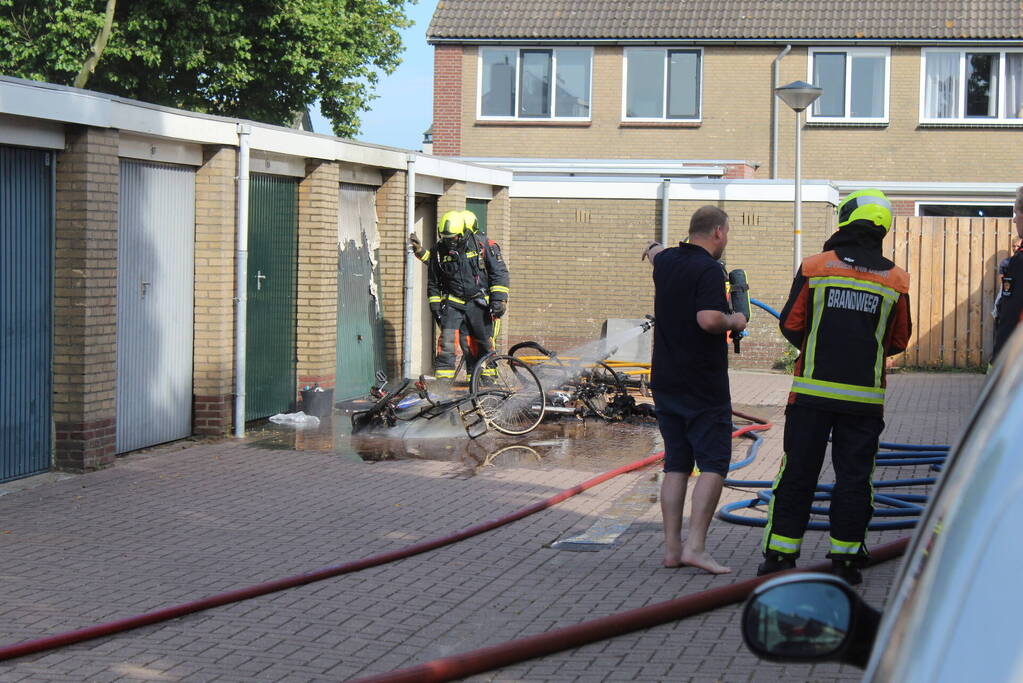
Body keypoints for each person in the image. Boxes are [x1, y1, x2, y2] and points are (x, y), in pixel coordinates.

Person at [759, 189, 912, 585]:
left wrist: (819, 346)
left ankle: (779, 557)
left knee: (797, 473)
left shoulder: (815, 266)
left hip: (811, 394)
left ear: (845, 219)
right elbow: (899, 340)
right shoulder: (896, 279)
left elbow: (791, 324)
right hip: (864, 401)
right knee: (855, 478)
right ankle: (846, 561)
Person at [643, 205, 746, 575]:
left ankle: (672, 549)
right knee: (714, 464)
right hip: (702, 384)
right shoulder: (708, 270)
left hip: (666, 380)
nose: (726, 240)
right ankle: (696, 548)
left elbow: (654, 252)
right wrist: (736, 318)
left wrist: (652, 246)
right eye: (727, 233)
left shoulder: (667, 260)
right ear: (718, 232)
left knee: (676, 464)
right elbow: (708, 319)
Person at [427, 210, 508, 380]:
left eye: (453, 237)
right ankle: (443, 386)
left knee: (481, 343)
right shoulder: (439, 251)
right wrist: (435, 306)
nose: (449, 242)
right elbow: (433, 282)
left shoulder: (482, 245)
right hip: (453, 303)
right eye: (445, 237)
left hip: (478, 303)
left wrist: (499, 299)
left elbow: (498, 273)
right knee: (447, 342)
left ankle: (485, 381)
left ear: (463, 233)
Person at [992, 186, 1023, 361]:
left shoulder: (1019, 262)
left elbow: (1010, 319)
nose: (1013, 220)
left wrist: (999, 363)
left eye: (1015, 213)